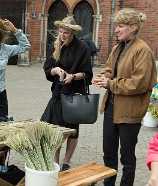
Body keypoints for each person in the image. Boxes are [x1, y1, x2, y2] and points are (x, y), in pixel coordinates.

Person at [92, 8, 157, 186]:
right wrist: (103, 77)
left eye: (121, 26)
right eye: (117, 26)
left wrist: (110, 83)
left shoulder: (142, 50)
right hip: (112, 108)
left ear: (133, 27)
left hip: (130, 112)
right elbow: (108, 68)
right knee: (109, 154)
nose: (117, 30)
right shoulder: (117, 48)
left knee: (127, 158)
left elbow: (138, 83)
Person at [40, 15, 93, 171]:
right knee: (56, 129)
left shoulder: (82, 47)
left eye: (66, 33)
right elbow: (47, 69)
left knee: (72, 131)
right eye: (60, 32)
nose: (62, 36)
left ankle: (66, 162)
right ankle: (56, 161)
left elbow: (87, 74)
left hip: (74, 95)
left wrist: (73, 76)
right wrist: (55, 70)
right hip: (58, 93)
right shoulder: (54, 46)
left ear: (73, 33)